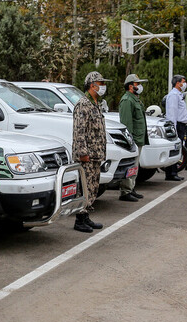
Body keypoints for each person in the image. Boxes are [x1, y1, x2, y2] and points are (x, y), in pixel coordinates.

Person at [72, 71, 109, 233]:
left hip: (96, 154)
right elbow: (79, 131)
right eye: (100, 84)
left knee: (93, 187)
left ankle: (85, 215)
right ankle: (79, 219)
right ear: (92, 85)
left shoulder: (95, 104)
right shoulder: (83, 104)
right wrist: (82, 152)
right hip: (86, 155)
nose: (103, 87)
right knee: (85, 186)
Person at [118, 74, 148, 202]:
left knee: (135, 166)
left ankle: (131, 187)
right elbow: (126, 123)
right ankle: (125, 191)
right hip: (133, 138)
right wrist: (129, 141)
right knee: (131, 165)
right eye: (137, 84)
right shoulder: (127, 100)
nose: (140, 86)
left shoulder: (135, 98)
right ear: (131, 86)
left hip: (138, 137)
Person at [164, 75, 187, 181]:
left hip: (181, 125)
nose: (184, 84)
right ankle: (171, 173)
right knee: (174, 148)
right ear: (178, 83)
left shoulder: (179, 95)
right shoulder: (173, 95)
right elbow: (172, 113)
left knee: (177, 149)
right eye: (183, 82)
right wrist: (173, 128)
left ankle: (173, 172)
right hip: (177, 125)